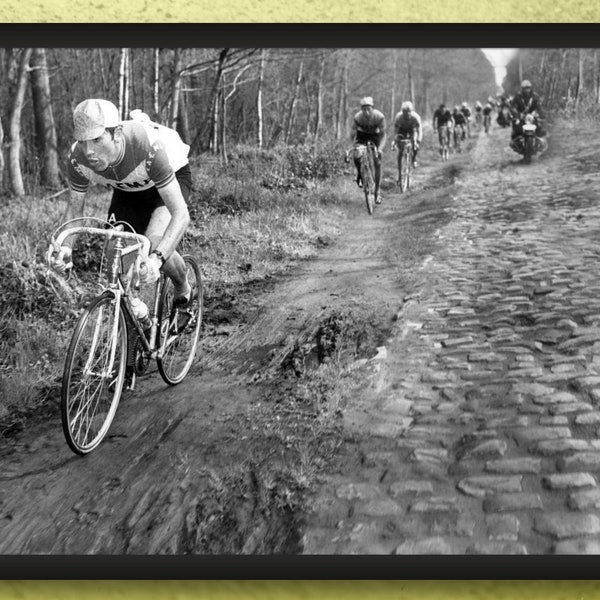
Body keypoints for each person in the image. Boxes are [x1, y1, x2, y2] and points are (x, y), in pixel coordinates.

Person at [50, 98, 193, 308]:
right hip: (128, 187)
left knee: (153, 241)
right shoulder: (77, 158)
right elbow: (74, 210)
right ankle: (135, 322)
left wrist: (156, 260)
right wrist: (65, 247)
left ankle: (183, 286)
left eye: (97, 140)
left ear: (116, 134)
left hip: (168, 179)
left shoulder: (147, 147)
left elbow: (181, 215)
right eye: (82, 141)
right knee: (115, 254)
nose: (88, 151)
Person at [349, 96, 386, 203]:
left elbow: (383, 135)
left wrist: (380, 149)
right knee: (356, 154)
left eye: (368, 109)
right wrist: (354, 146)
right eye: (364, 109)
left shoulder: (379, 116)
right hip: (363, 136)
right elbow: (352, 134)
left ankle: (377, 192)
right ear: (361, 109)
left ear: (372, 108)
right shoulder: (358, 117)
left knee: (378, 161)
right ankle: (360, 174)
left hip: (376, 136)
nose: (366, 112)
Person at [391, 100, 422, 182]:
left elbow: (419, 130)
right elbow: (396, 130)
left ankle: (414, 158)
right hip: (402, 130)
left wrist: (418, 141)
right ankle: (400, 174)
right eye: (405, 111)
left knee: (414, 142)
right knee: (400, 151)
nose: (407, 113)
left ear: (411, 111)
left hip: (412, 130)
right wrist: (395, 140)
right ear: (402, 111)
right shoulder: (399, 117)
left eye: (408, 111)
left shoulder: (416, 117)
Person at [510, 79, 546, 145]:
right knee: (516, 127)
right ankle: (516, 142)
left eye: (528, 88)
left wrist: (542, 113)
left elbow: (539, 106)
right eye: (525, 88)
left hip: (532, 116)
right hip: (521, 116)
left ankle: (539, 142)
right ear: (522, 89)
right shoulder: (517, 97)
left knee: (540, 127)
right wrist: (516, 113)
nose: (527, 90)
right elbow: (513, 107)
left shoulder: (535, 96)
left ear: (531, 88)